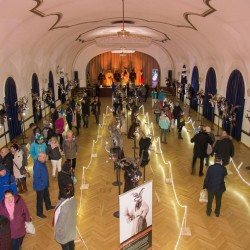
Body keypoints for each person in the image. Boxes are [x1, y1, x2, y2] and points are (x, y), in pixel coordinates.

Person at [54, 181, 77, 250]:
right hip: (71, 228)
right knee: (71, 244)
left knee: (65, 247)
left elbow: (60, 223)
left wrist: (57, 231)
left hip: (64, 232)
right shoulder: (74, 200)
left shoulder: (62, 206)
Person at [33, 152, 55, 218]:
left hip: (44, 184)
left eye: (45, 157)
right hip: (40, 186)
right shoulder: (37, 165)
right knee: (40, 200)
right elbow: (36, 177)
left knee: (46, 196)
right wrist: (42, 184)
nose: (44, 158)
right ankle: (39, 213)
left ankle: (48, 206)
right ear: (39, 157)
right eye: (43, 157)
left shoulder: (42, 163)